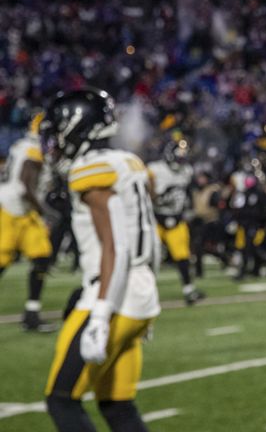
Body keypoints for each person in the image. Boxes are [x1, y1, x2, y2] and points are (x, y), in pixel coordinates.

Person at [40, 89, 160, 432]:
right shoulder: (128, 162)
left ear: (77, 127)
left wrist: (101, 315)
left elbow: (116, 246)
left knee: (61, 400)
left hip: (110, 295)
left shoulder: (90, 169)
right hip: (139, 294)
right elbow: (148, 238)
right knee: (118, 406)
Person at [0, 111, 55, 331]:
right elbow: (25, 187)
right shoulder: (33, 150)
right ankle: (31, 314)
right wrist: (45, 211)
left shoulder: (21, 145)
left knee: (41, 256)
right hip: (13, 210)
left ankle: (31, 314)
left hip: (18, 209)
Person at [147, 138, 204, 304]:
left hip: (176, 219)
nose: (181, 160)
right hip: (156, 218)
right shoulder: (154, 170)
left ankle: (189, 289)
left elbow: (188, 193)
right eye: (178, 156)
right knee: (149, 257)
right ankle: (144, 293)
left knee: (183, 256)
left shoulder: (186, 171)